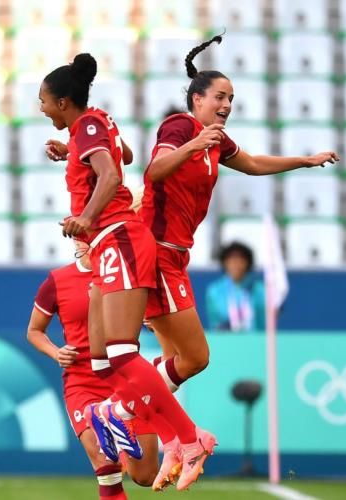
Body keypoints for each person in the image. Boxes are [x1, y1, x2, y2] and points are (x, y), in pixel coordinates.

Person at [39, 53, 217, 491]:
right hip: (108, 244)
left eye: (43, 101)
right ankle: (128, 417)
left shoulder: (90, 126)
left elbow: (111, 173)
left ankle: (186, 436)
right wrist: (71, 152)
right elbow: (122, 153)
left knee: (120, 353)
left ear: (64, 102)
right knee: (106, 362)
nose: (40, 108)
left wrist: (86, 216)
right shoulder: (92, 126)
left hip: (118, 235)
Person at [140, 34, 338, 391]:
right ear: (197, 99)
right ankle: (124, 405)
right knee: (196, 358)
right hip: (158, 251)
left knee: (174, 363)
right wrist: (195, 144)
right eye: (220, 96)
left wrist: (304, 161)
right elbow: (155, 170)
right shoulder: (181, 126)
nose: (227, 104)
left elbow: (252, 163)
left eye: (231, 98)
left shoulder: (215, 138)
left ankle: (163, 437)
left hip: (174, 253)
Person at [27, 241, 159, 499]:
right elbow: (34, 331)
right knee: (105, 464)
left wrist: (155, 322)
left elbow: (154, 313)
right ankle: (108, 426)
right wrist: (56, 352)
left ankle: (115, 419)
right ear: (76, 239)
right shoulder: (58, 280)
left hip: (126, 378)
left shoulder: (128, 273)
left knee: (145, 475)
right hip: (83, 382)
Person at [206, 242, 266, 332]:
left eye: (241, 259)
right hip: (226, 341)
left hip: (256, 341)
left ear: (248, 263)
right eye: (231, 259)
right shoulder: (214, 291)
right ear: (225, 262)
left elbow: (264, 322)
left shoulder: (260, 289)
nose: (236, 264)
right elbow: (214, 323)